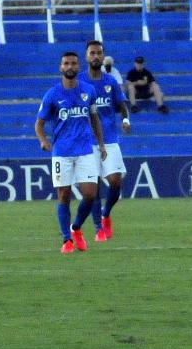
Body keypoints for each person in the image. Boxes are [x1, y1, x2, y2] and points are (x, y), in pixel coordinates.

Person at [35, 52, 107, 253]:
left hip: (85, 150)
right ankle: (66, 240)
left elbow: (95, 119)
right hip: (62, 152)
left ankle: (76, 228)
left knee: (90, 195)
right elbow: (39, 124)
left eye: (73, 63)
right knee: (64, 195)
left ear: (78, 66)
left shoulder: (89, 90)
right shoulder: (52, 95)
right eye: (66, 63)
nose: (70, 66)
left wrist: (101, 144)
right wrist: (43, 140)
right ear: (60, 67)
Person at [81, 40, 132, 242]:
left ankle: (106, 213)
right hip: (87, 142)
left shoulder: (110, 81)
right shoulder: (79, 82)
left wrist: (126, 120)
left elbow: (122, 104)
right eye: (92, 53)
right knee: (92, 188)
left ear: (103, 57)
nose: (95, 56)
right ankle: (98, 228)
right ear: (86, 56)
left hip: (110, 139)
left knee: (115, 181)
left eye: (99, 53)